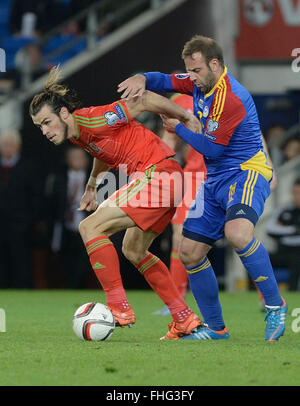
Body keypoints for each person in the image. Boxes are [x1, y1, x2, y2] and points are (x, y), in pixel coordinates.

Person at [118, 34, 287, 342]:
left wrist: (177, 127)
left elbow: (215, 150)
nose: (191, 77)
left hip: (245, 172)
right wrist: (142, 78)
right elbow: (165, 79)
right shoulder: (200, 82)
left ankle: (276, 305)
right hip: (215, 180)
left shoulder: (230, 97)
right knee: (189, 251)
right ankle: (216, 328)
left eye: (196, 71)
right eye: (189, 71)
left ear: (214, 64)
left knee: (238, 234)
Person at [29, 66, 202, 340]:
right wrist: (92, 184)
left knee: (89, 228)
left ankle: (119, 308)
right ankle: (184, 319)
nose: (45, 131)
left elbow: (143, 100)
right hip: (168, 180)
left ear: (64, 114)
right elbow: (101, 149)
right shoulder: (81, 133)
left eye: (47, 122)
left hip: (157, 174)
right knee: (134, 250)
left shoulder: (93, 119)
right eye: (39, 127)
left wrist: (185, 116)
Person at [153, 92, 206, 315]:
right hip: (194, 176)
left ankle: (269, 299)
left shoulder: (225, 94)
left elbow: (252, 131)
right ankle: (176, 302)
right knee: (179, 236)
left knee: (241, 234)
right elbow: (169, 141)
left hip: (227, 172)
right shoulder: (178, 102)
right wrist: (158, 170)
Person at [0, 129, 44, 288]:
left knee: (22, 266)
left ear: (18, 146)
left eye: (11, 145)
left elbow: (37, 197)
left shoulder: (29, 167)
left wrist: (30, 221)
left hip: (21, 228)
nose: (8, 148)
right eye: (5, 145)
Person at [46, 146, 92, 288]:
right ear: (67, 160)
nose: (78, 161)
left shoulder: (96, 180)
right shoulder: (58, 180)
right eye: (74, 158)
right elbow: (52, 206)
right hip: (66, 227)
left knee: (85, 263)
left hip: (87, 227)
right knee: (66, 262)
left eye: (81, 157)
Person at [267, 177, 300, 291]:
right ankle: (256, 295)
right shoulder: (284, 210)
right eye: (295, 193)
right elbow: (270, 229)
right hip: (284, 251)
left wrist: (283, 229)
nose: (297, 197)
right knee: (258, 259)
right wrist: (294, 230)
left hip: (297, 253)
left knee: (297, 260)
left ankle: (293, 293)